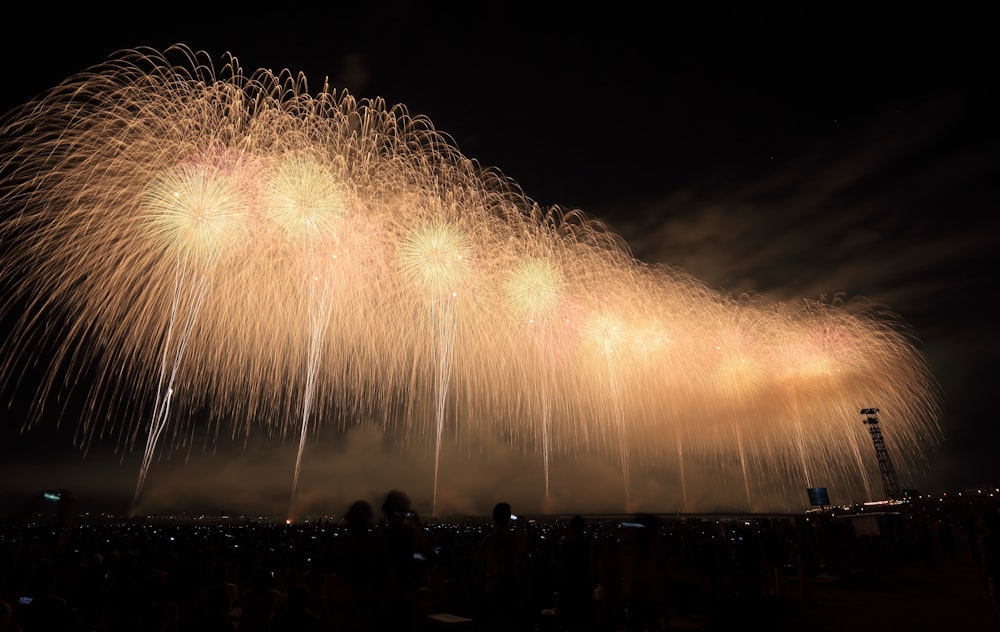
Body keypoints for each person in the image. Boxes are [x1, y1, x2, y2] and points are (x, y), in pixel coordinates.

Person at [478, 502, 527, 631]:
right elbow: (523, 549)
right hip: (512, 581)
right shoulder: (515, 536)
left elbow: (479, 559)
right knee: (512, 619)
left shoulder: (489, 539)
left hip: (494, 583)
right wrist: (520, 526)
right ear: (509, 518)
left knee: (495, 621)